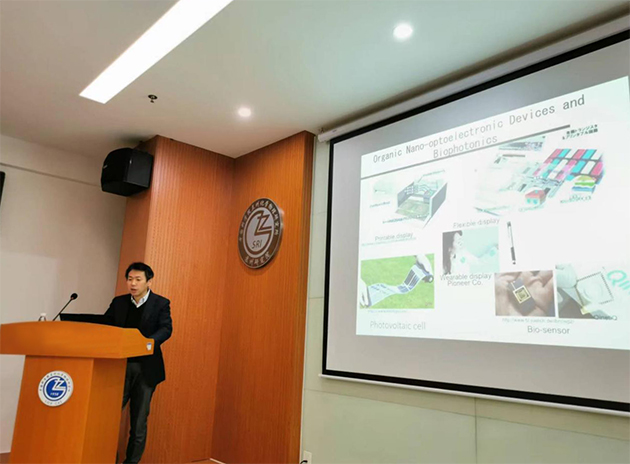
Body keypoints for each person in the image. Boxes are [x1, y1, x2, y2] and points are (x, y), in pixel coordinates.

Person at [104, 262, 173, 463]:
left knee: (139, 422)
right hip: (118, 367)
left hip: (145, 369)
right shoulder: (119, 302)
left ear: (148, 282)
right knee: (107, 418)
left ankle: (131, 462)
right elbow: (106, 326)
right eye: (130, 279)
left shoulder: (161, 303)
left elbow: (166, 329)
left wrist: (148, 343)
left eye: (138, 279)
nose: (133, 284)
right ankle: (107, 458)